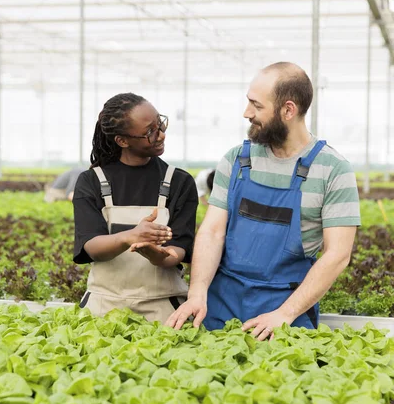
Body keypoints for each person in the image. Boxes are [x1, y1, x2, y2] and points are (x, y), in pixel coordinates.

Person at [166, 62, 361, 339]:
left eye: (256, 106)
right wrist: (197, 293)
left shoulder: (333, 169)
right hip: (221, 304)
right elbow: (212, 232)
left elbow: (337, 255)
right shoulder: (236, 160)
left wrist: (285, 314)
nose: (247, 113)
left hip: (285, 310)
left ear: (288, 110)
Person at [73, 93, 198, 322]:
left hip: (163, 306)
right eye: (150, 131)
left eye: (159, 124)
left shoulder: (179, 182)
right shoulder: (91, 182)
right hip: (103, 307)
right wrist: (130, 236)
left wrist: (156, 255)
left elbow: (177, 250)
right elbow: (91, 246)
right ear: (122, 141)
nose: (161, 134)